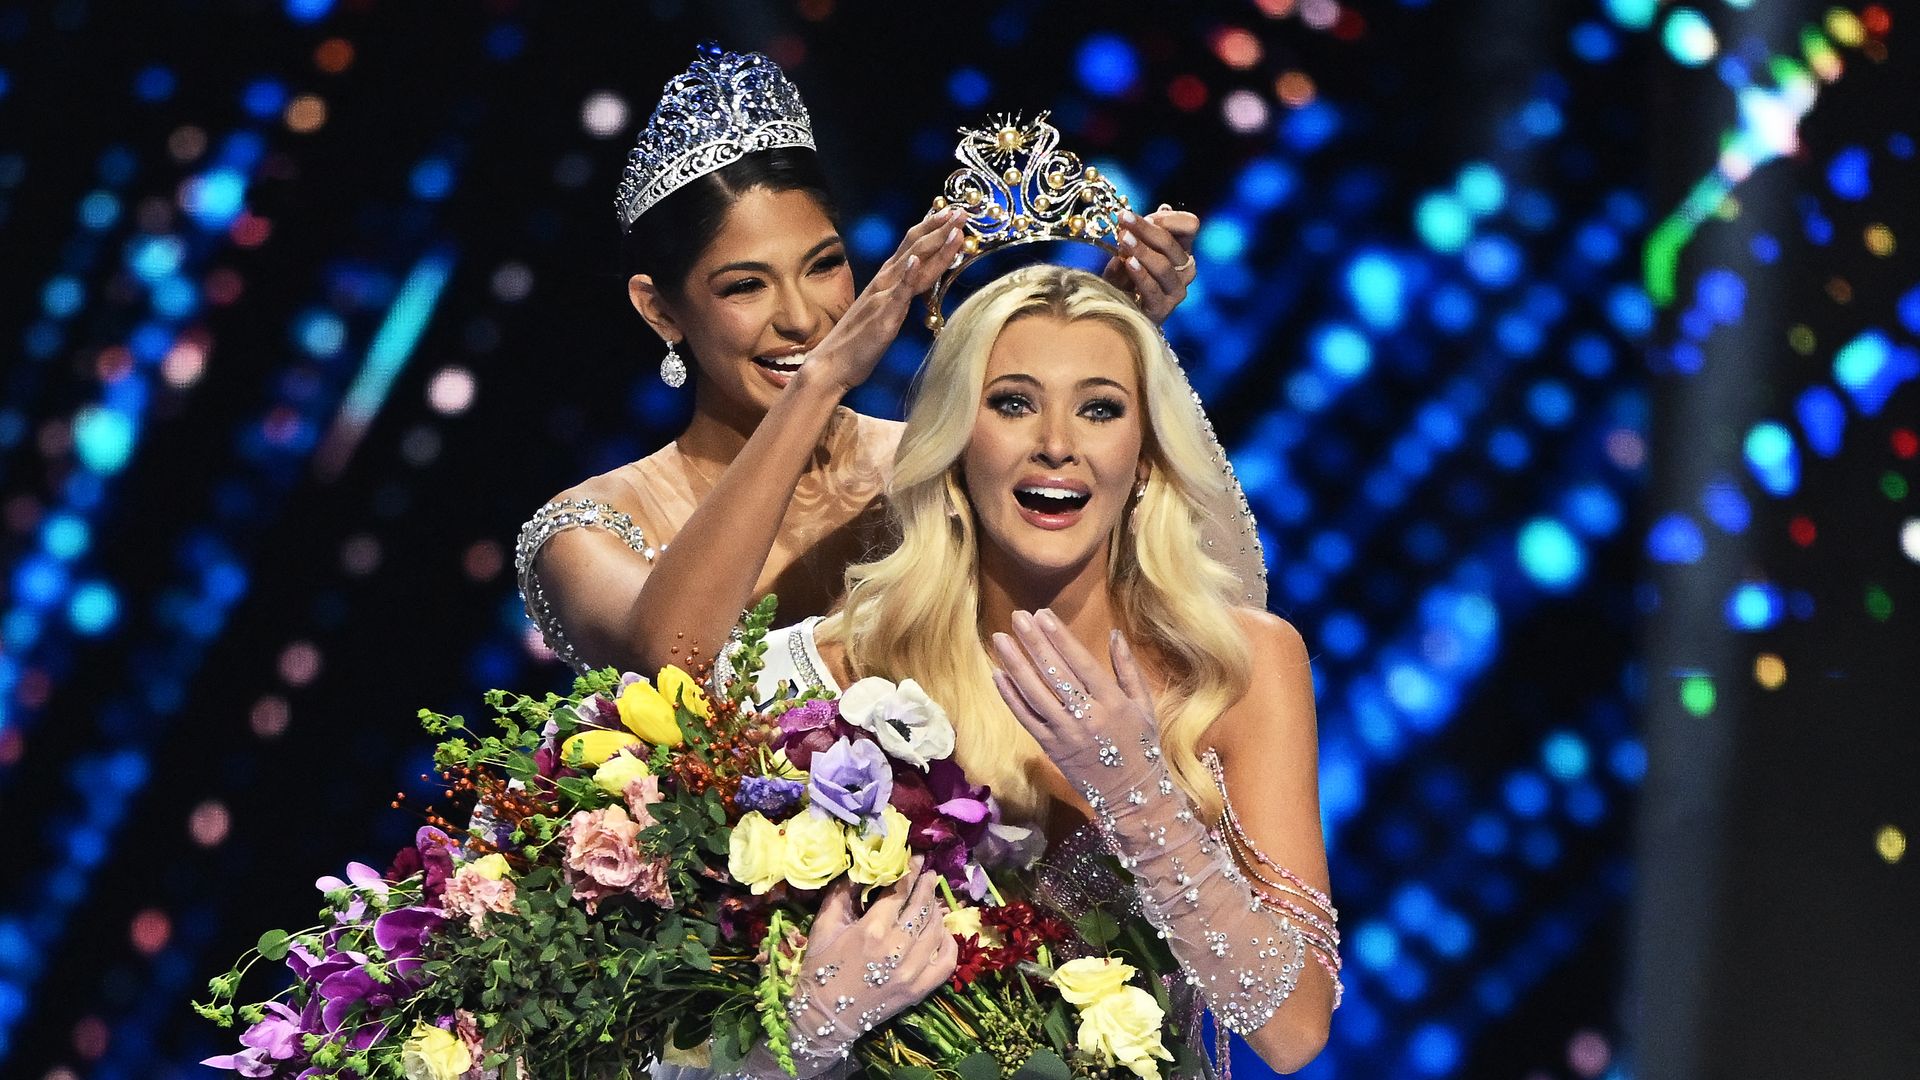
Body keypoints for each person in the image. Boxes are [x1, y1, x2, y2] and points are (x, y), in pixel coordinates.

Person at [753, 264, 1336, 1076]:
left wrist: (1135, 790)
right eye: (1013, 403)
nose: (1056, 444)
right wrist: (806, 1030)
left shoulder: (1238, 666)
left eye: (1099, 409)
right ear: (956, 446)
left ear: (1144, 461)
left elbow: (1293, 1029)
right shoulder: (826, 676)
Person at [516, 45, 1213, 677]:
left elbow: (1093, 578)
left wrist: (1118, 323)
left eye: (823, 267)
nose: (801, 316)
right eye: (746, 286)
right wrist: (822, 380)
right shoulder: (587, 530)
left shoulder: (932, 465)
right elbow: (673, 658)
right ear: (659, 309)